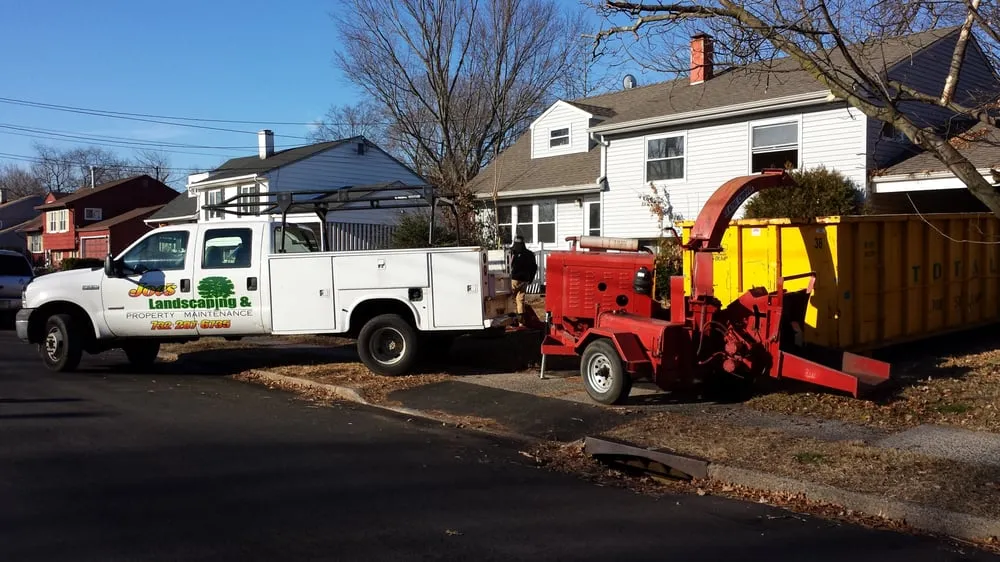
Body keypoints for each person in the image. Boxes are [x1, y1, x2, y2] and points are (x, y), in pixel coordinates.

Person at [508, 235, 537, 326]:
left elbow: (510, 265)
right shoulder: (530, 254)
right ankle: (521, 321)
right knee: (520, 299)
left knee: (510, 299)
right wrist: (530, 279)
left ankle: (512, 320)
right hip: (525, 280)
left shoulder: (513, 253)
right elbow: (534, 267)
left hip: (515, 279)